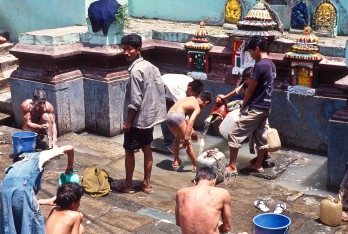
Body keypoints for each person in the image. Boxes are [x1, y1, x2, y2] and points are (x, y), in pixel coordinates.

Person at [111, 33, 166, 194]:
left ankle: (128, 185)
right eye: (124, 49)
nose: (126, 53)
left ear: (138, 50)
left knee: (129, 151)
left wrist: (128, 121)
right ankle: (146, 184)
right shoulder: (151, 66)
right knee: (147, 148)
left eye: (129, 49)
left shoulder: (136, 71)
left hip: (136, 120)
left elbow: (135, 101)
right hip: (148, 120)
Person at [225, 35, 276, 176]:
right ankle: (258, 165)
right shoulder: (271, 64)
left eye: (250, 52)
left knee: (234, 134)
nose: (250, 55)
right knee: (261, 136)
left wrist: (244, 104)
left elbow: (251, 88)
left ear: (257, 49)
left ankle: (232, 166)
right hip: (266, 106)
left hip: (256, 106)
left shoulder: (260, 65)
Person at [0, 145, 75, 234]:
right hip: (22, 191)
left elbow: (19, 199)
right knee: (31, 225)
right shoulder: (38, 156)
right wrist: (70, 165)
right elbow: (70, 148)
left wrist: (46, 201)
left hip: (4, 192)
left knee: (11, 224)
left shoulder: (13, 169)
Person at [175, 167, 232, 234]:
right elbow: (226, 227)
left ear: (195, 182)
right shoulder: (223, 193)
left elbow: (178, 223)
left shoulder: (181, 193)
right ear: (214, 182)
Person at [167, 91, 212, 172]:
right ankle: (195, 166)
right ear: (206, 102)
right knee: (187, 144)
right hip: (178, 116)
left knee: (176, 138)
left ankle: (176, 161)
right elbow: (191, 121)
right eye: (206, 106)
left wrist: (191, 132)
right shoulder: (197, 107)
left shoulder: (191, 98)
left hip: (169, 114)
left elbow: (185, 115)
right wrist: (186, 138)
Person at [161, 74, 204, 153]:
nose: (194, 97)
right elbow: (183, 115)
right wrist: (192, 132)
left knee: (175, 117)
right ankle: (168, 144)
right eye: (194, 95)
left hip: (171, 89)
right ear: (189, 89)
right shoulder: (180, 91)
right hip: (161, 89)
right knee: (166, 117)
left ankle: (177, 137)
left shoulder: (191, 82)